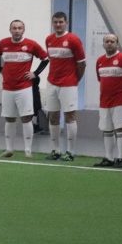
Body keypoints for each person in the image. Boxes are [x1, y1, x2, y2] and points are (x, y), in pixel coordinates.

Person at [0, 19, 48, 158]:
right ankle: (9, 149)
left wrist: (35, 73)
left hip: (24, 88)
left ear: (23, 30)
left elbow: (45, 58)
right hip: (7, 88)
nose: (17, 30)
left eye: (19, 28)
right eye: (14, 28)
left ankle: (28, 150)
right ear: (10, 30)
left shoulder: (31, 44)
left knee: (26, 118)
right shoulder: (3, 43)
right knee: (9, 118)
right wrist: (0, 68)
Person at [43, 12, 86, 161]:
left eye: (61, 22)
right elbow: (53, 61)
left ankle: (71, 152)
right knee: (53, 116)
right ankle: (55, 150)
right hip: (51, 83)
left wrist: (75, 80)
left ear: (66, 23)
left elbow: (82, 64)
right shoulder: (49, 39)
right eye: (55, 22)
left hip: (69, 84)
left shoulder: (73, 39)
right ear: (52, 23)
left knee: (70, 117)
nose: (58, 24)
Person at [92, 34, 122, 168]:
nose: (109, 43)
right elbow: (101, 80)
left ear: (117, 44)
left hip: (120, 101)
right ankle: (109, 158)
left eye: (112, 41)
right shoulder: (100, 61)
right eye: (107, 41)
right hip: (104, 102)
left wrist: (121, 90)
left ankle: (120, 159)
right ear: (103, 44)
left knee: (120, 129)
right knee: (107, 130)